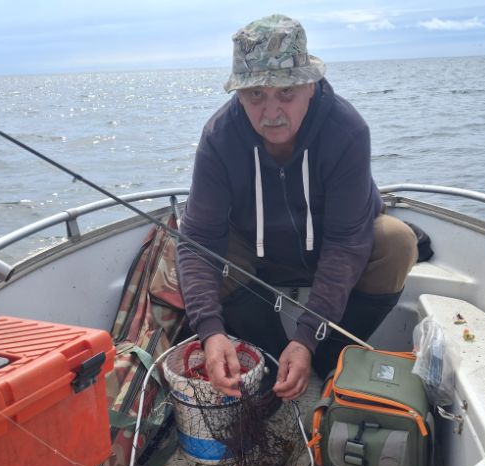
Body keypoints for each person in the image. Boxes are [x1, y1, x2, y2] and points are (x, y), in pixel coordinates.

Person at [177, 14, 418, 401]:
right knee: (209, 250)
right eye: (256, 94)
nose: (271, 112)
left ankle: (327, 362)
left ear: (310, 85)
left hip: (330, 251)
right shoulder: (219, 137)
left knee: (397, 241)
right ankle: (272, 365)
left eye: (286, 92)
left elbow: (346, 243)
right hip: (257, 259)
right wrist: (210, 332)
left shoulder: (347, 131)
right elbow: (197, 240)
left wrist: (306, 338)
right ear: (239, 94)